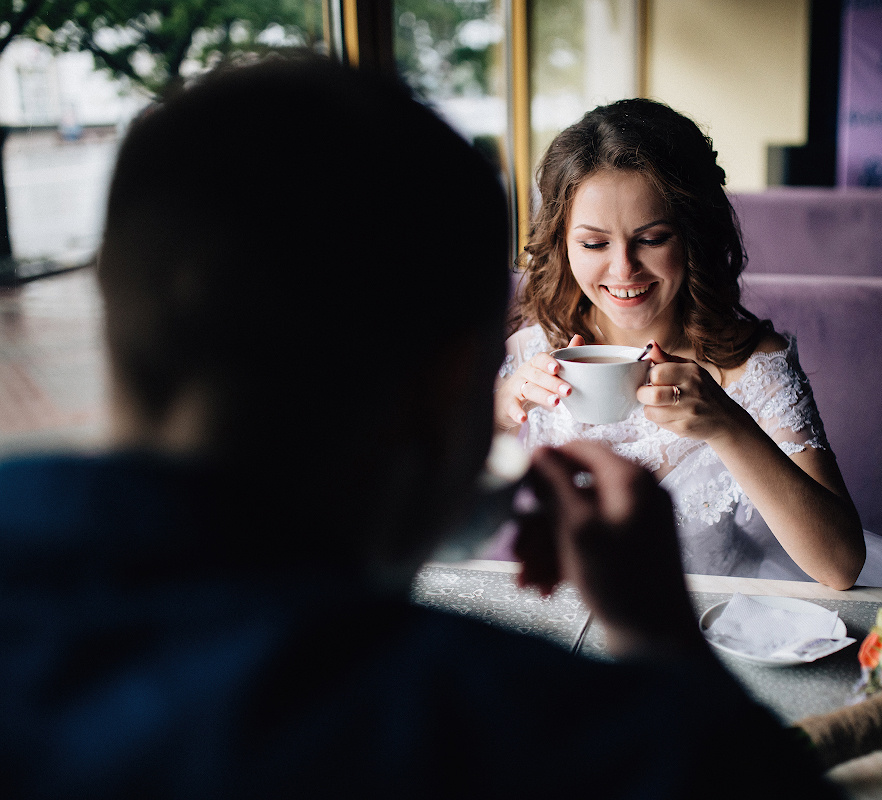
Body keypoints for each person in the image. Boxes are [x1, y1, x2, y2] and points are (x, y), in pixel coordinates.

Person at [0, 59, 837, 797]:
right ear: (454, 387)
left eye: (650, 239)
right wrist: (659, 644)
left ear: (113, 297)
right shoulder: (512, 725)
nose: (622, 268)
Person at [495, 98, 882, 597]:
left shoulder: (755, 363)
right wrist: (497, 411)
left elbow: (841, 566)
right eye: (594, 243)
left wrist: (727, 424)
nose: (623, 269)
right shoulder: (531, 354)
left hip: (727, 622)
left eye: (652, 239)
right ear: (563, 242)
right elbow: (433, 513)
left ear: (693, 235)